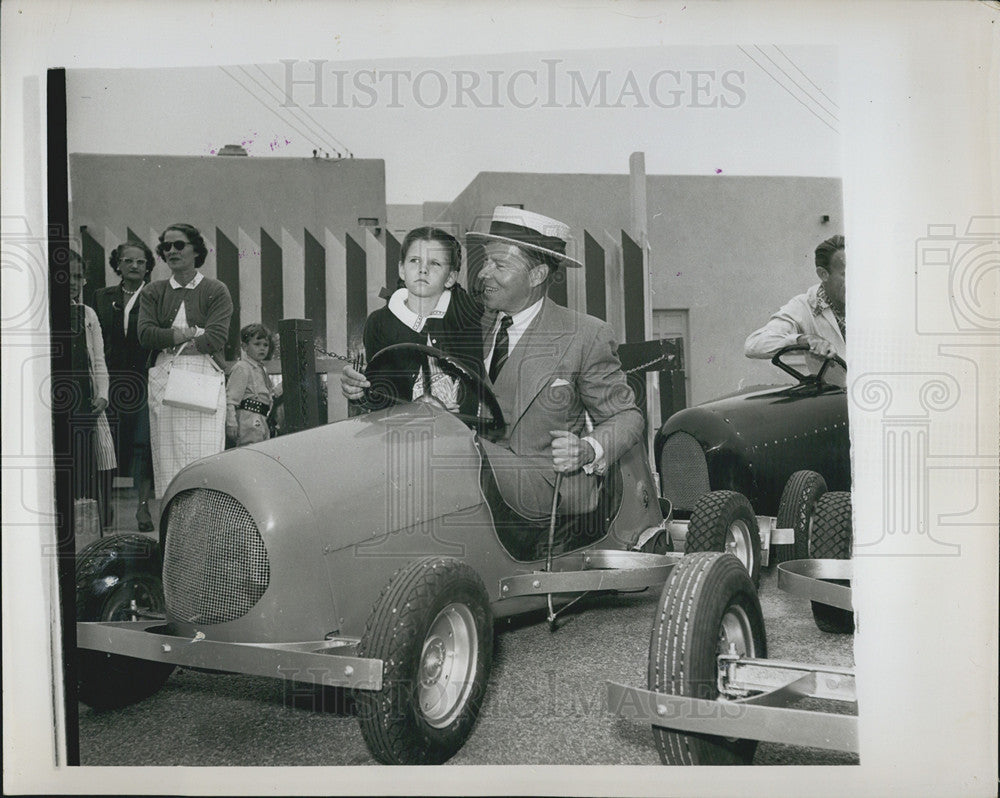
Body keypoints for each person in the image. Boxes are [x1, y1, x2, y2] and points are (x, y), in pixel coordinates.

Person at [341, 207, 644, 522]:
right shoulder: (467, 321)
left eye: (499, 264)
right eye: (485, 261)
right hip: (465, 484)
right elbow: (410, 374)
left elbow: (626, 417)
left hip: (546, 490)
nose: (484, 273)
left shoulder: (585, 335)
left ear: (537, 275)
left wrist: (587, 449)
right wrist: (362, 390)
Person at [137, 224, 233, 498]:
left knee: (205, 460)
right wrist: (188, 333)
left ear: (196, 250)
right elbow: (145, 335)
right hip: (166, 380)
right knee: (169, 462)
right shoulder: (153, 292)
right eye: (166, 247)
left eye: (179, 245)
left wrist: (170, 338)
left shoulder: (216, 290)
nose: (171, 251)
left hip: (204, 377)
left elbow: (215, 338)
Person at [357, 226, 483, 414]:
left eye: (434, 263)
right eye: (414, 260)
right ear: (401, 269)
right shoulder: (380, 322)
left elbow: (474, 384)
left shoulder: (464, 319)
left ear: (450, 278)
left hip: (455, 427)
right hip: (399, 427)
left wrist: (459, 415)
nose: (423, 269)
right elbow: (380, 389)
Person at [92, 241, 156, 531]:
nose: (134, 266)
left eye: (140, 262)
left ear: (148, 266)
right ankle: (105, 507)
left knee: (142, 445)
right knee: (107, 444)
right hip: (111, 379)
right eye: (128, 261)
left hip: (144, 379)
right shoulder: (101, 296)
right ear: (117, 264)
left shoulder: (156, 295)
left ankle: (143, 510)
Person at [68, 250, 118, 527]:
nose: (73, 282)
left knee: (96, 458)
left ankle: (94, 520)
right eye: (66, 276)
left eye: (78, 276)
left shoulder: (87, 314)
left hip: (86, 397)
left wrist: (102, 394)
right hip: (60, 399)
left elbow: (98, 358)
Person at [744, 235, 846, 362]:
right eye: (847, 274)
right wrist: (803, 340)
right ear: (823, 274)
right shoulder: (804, 306)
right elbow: (754, 344)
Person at [226, 323, 282, 447]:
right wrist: (231, 423)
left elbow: (269, 394)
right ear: (245, 347)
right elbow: (231, 399)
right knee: (250, 450)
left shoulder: (261, 368)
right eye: (257, 344)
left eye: (265, 345)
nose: (262, 348)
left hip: (261, 419)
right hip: (248, 419)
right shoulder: (242, 368)